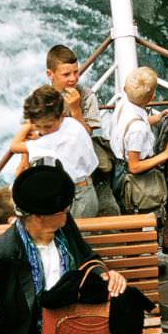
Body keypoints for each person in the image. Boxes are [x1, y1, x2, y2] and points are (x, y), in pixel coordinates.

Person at [0, 161, 137, 334]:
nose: (67, 210)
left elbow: (87, 256)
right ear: (37, 217)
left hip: (74, 319)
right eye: (62, 210)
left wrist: (105, 274)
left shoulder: (63, 223)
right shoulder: (2, 252)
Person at [46, 45, 119, 217]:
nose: (73, 78)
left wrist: (76, 110)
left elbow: (87, 136)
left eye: (76, 72)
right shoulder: (42, 97)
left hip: (82, 163)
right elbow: (31, 132)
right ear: (50, 74)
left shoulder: (86, 96)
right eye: (66, 74)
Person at [11, 84, 99, 218]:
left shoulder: (53, 141)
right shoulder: (71, 122)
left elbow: (15, 146)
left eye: (47, 126)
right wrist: (42, 134)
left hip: (78, 198)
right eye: (38, 126)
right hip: (86, 189)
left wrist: (28, 125)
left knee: (77, 235)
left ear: (61, 116)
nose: (42, 131)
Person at [109, 66, 168, 197]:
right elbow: (134, 167)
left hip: (118, 160)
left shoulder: (123, 103)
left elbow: (136, 123)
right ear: (152, 97)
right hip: (129, 173)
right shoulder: (138, 129)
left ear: (125, 90)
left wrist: (159, 117)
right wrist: (166, 154)